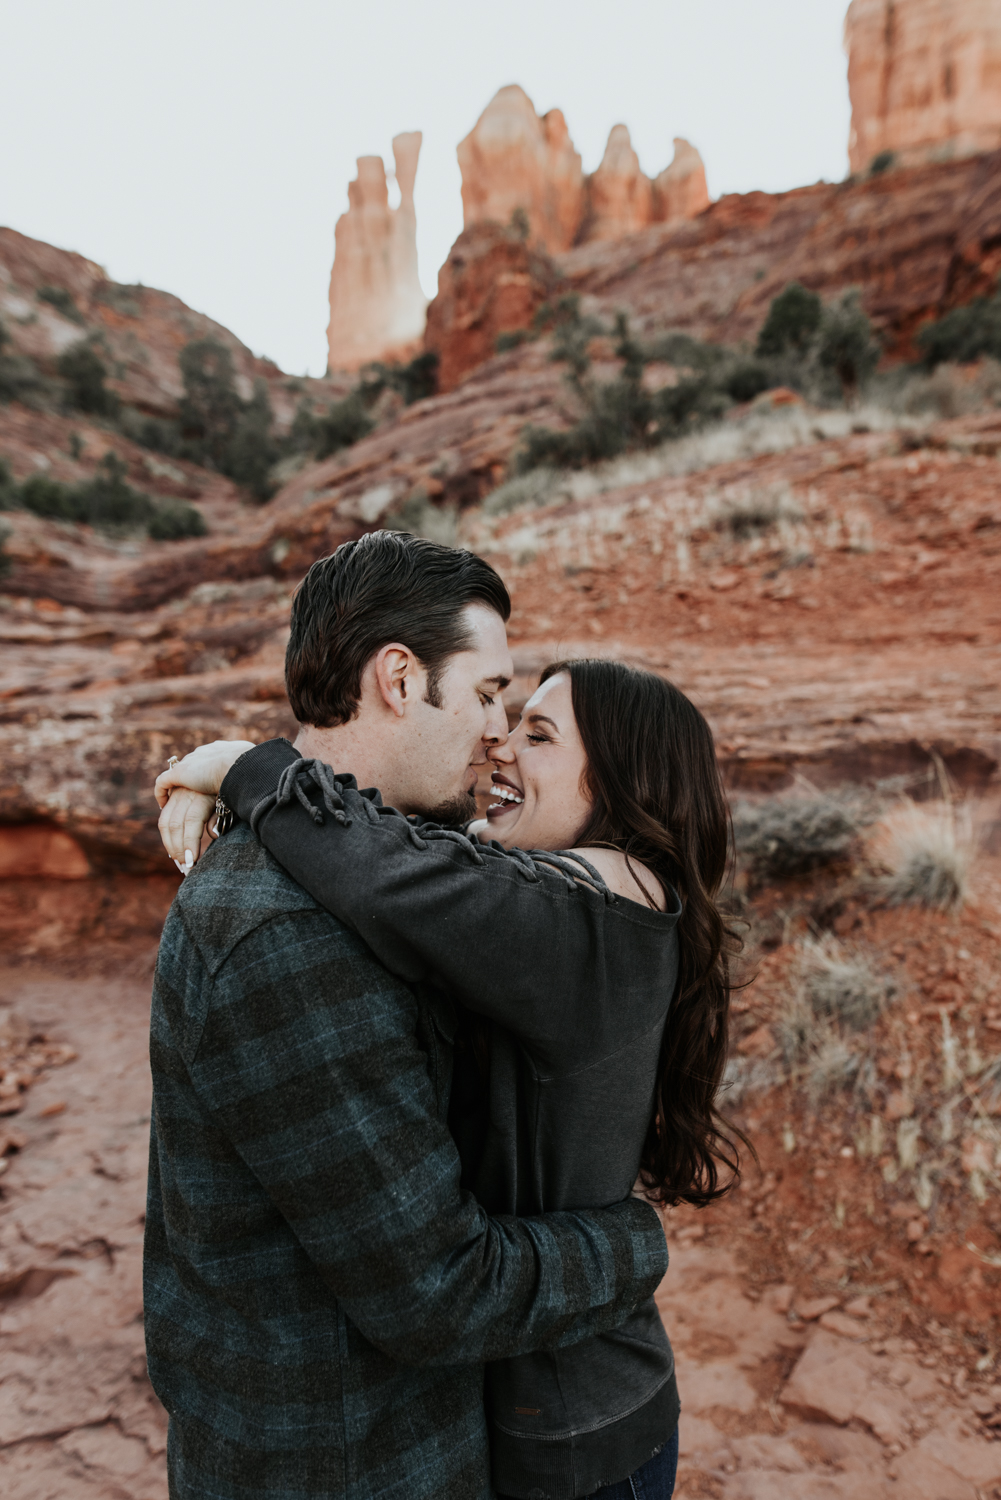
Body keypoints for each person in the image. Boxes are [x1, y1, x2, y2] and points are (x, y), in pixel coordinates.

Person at [144, 532, 673, 1500]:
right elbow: (438, 1289)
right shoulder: (284, 937)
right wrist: (633, 1243)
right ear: (397, 678)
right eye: (484, 695)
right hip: (346, 1467)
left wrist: (244, 768)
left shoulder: (387, 861)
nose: (496, 733)